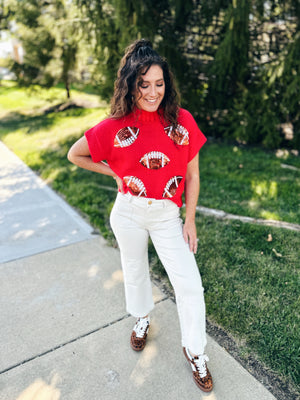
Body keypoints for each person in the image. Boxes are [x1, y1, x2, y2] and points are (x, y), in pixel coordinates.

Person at [67, 38, 213, 393]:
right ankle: (142, 319)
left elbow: (192, 175)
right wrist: (114, 174)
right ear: (131, 85)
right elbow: (76, 154)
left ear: (168, 83)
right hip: (129, 212)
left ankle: (195, 351)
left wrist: (189, 218)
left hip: (167, 214)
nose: (152, 92)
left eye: (159, 84)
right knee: (135, 272)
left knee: (190, 284)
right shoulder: (116, 124)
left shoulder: (182, 122)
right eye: (144, 84)